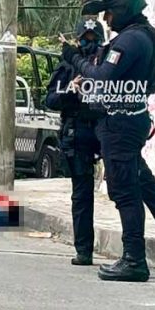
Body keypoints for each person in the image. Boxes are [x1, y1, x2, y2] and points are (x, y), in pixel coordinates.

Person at [61, 0, 155, 282]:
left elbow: (103, 75)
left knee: (125, 191)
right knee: (139, 176)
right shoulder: (142, 35)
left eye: (109, 13)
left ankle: (134, 259)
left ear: (122, 10)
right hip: (129, 118)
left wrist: (75, 59)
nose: (106, 20)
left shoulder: (130, 41)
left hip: (120, 123)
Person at [45, 19, 106, 266]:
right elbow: (50, 99)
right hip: (78, 131)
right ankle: (84, 250)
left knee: (126, 187)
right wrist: (70, 89)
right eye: (85, 38)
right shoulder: (67, 66)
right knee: (82, 193)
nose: (89, 43)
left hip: (105, 129)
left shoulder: (108, 64)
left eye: (94, 38)